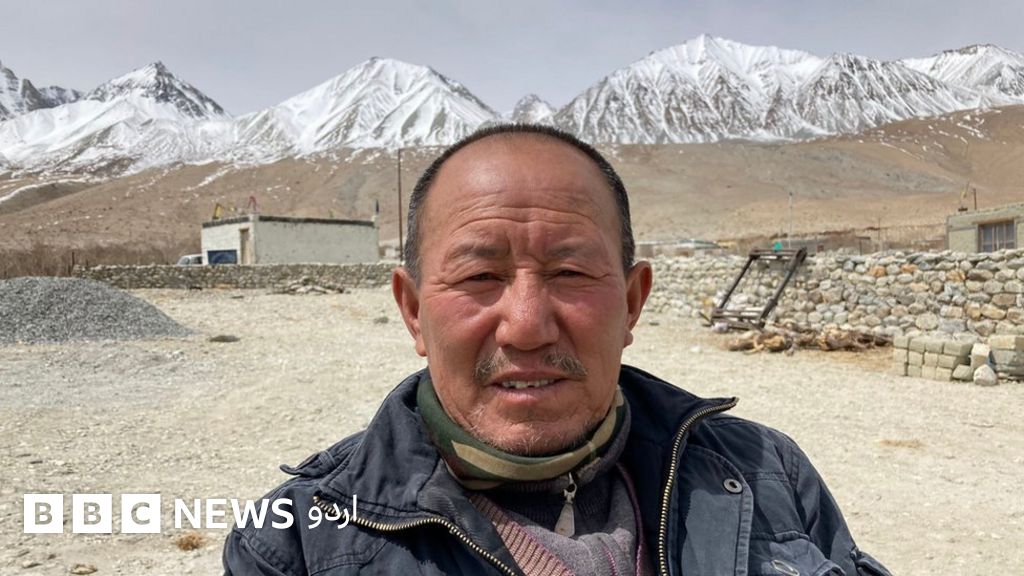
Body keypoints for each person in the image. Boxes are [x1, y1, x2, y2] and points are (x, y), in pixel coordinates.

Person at [223, 124, 890, 576]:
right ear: (414, 310)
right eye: (480, 276)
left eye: (570, 273)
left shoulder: (768, 474)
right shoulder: (295, 544)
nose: (527, 326)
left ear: (632, 302)